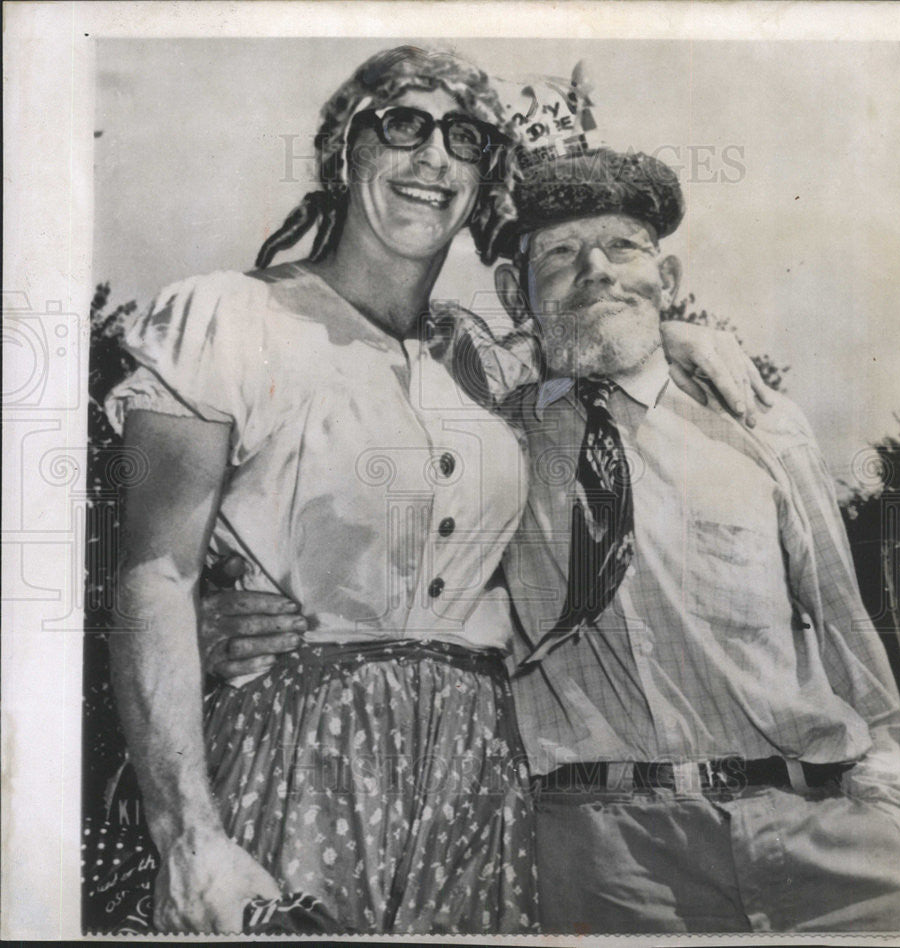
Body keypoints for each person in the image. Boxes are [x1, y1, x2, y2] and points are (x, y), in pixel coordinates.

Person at [105, 47, 758, 935]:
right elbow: (154, 578)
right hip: (296, 754)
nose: (434, 158)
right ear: (346, 149)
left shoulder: (486, 363)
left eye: (465, 139)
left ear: (486, 179)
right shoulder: (224, 320)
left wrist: (675, 334)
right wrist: (188, 839)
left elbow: (593, 326)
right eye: (404, 125)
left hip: (478, 777)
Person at [482, 146, 900, 933]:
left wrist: (895, 792)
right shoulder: (488, 446)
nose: (598, 269)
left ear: (668, 279)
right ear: (518, 292)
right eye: (561, 254)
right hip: (607, 860)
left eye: (624, 247)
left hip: (823, 835)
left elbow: (846, 624)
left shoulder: (763, 423)